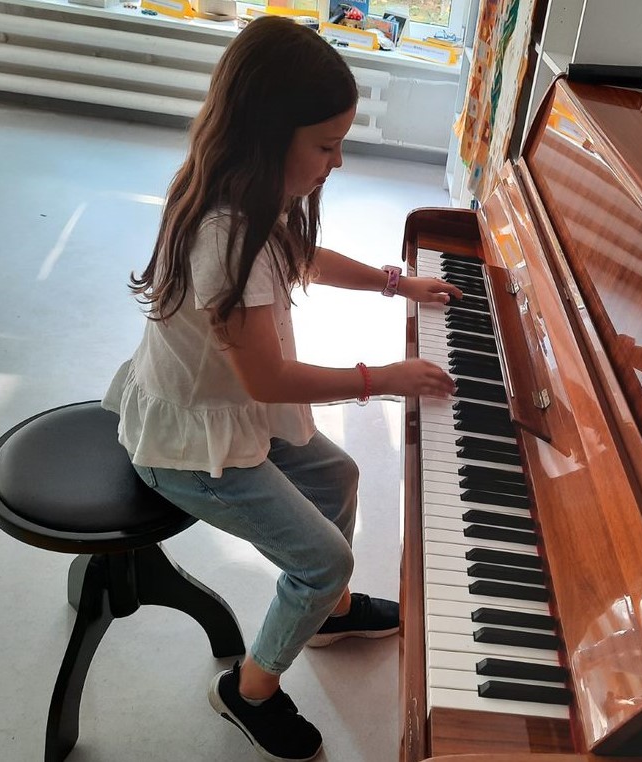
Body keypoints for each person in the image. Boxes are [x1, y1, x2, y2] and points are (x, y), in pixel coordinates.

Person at [102, 15, 460, 762]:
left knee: (340, 475)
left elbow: (303, 256)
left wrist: (396, 283)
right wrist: (380, 379)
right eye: (326, 146)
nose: (338, 161)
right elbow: (267, 377)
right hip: (189, 447)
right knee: (324, 558)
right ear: (268, 135)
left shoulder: (249, 194)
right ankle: (249, 690)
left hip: (231, 414)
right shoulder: (224, 233)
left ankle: (327, 614)